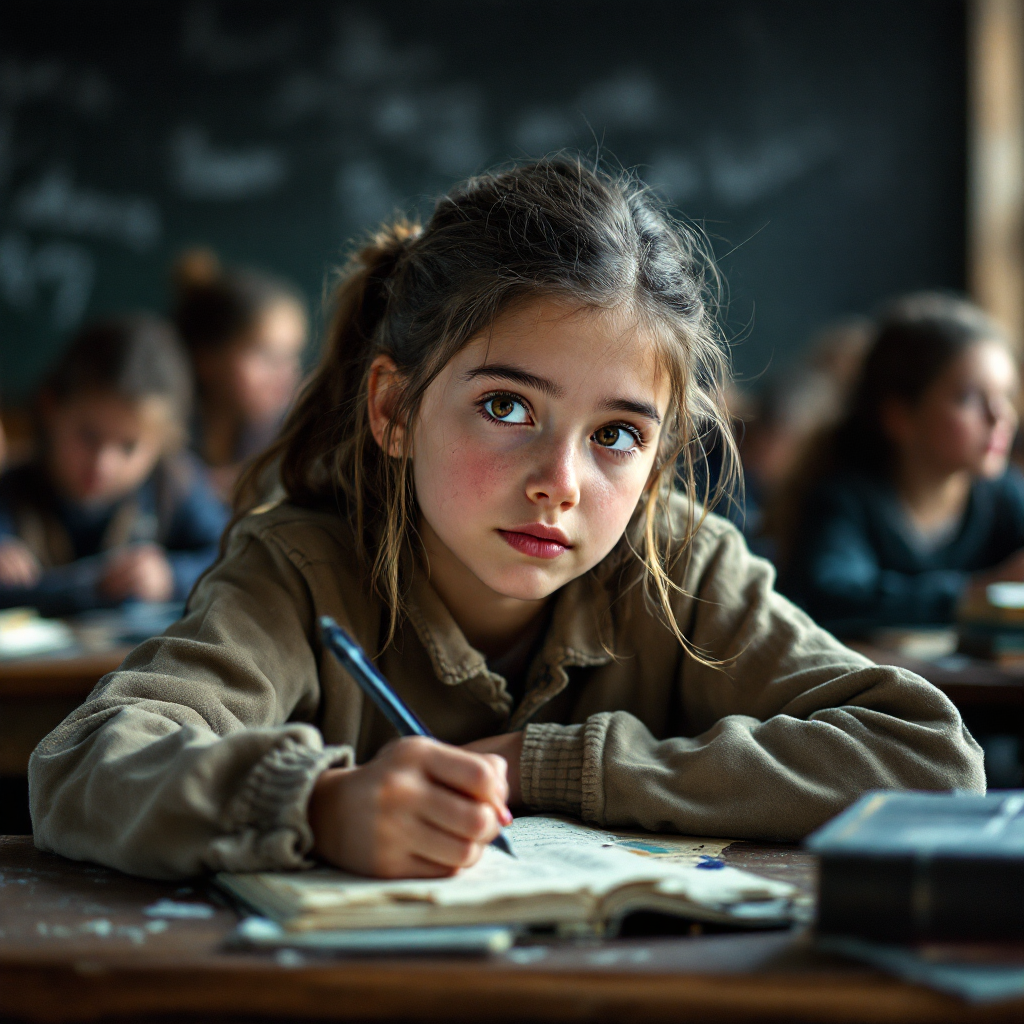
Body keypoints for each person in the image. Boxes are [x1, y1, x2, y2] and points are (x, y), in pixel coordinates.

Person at [29, 161, 982, 882]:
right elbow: (83, 763)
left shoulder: (680, 567)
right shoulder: (304, 569)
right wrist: (314, 805)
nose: (558, 484)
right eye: (506, 408)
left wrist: (548, 766)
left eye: (616, 434)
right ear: (394, 411)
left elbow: (933, 760)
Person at [779, 293, 1024, 636]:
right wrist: (981, 593)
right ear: (900, 416)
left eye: (1006, 396)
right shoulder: (847, 500)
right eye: (969, 398)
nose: (1001, 417)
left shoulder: (1006, 497)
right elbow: (833, 598)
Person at [0, 315, 229, 616]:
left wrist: (171, 575)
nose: (102, 464)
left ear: (163, 442)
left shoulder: (174, 484)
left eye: (129, 446)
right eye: (88, 435)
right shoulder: (12, 490)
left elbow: (232, 557)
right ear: (51, 408)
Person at [172, 249, 308, 500]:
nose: (286, 375)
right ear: (207, 357)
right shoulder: (163, 433)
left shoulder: (290, 433)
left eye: (291, 357)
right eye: (267, 357)